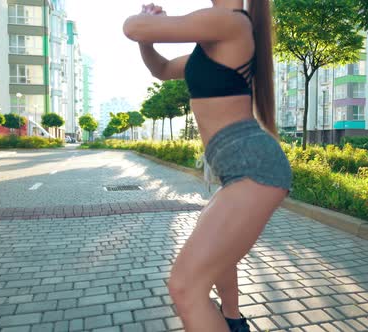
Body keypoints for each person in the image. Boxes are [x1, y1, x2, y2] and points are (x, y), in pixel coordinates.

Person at [123, 1, 292, 331]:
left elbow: (131, 27)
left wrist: (146, 23)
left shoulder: (228, 22)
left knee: (185, 287)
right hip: (240, 170)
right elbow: (160, 69)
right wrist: (147, 41)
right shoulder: (215, 40)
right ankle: (232, 321)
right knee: (214, 256)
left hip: (254, 168)